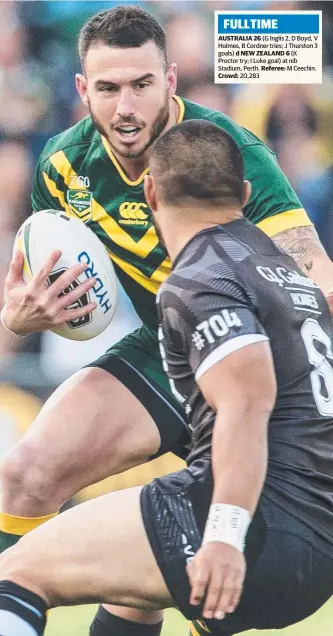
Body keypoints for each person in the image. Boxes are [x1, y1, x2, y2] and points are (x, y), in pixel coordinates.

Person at [2, 6, 333, 636]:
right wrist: (21, 317)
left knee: (184, 588)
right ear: (82, 90)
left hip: (252, 362)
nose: (125, 107)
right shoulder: (62, 167)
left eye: (141, 85)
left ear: (171, 80)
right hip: (167, 349)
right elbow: (41, 297)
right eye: (108, 88)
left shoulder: (227, 152)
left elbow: (310, 266)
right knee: (23, 474)